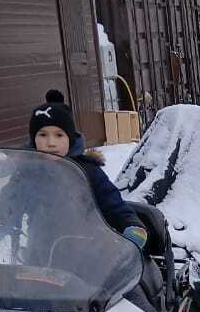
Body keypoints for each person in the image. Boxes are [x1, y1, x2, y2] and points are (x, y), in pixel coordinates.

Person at [28, 89, 148, 249]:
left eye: (59, 135)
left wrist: (130, 224)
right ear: (33, 139)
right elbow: (10, 202)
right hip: (38, 254)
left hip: (85, 254)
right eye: (42, 135)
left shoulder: (87, 171)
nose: (50, 143)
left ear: (70, 138)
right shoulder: (28, 172)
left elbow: (113, 204)